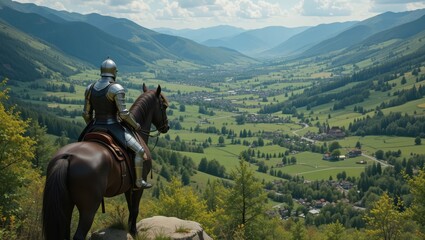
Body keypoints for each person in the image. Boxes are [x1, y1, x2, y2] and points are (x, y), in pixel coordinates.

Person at [80, 57, 151, 189]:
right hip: (113, 127)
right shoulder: (116, 88)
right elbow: (124, 114)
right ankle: (138, 181)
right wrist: (135, 126)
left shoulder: (89, 88)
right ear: (114, 72)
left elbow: (86, 114)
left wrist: (91, 125)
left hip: (94, 126)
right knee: (140, 151)